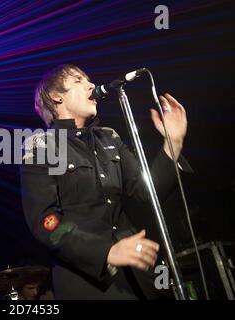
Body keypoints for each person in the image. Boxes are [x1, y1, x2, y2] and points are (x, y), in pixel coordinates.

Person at [20, 64, 193, 299]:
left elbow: (146, 192)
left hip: (137, 276)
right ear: (56, 97)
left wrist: (173, 143)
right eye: (78, 80)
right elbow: (45, 221)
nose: (91, 85)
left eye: (89, 79)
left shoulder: (109, 138)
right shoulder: (41, 146)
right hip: (88, 283)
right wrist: (105, 252)